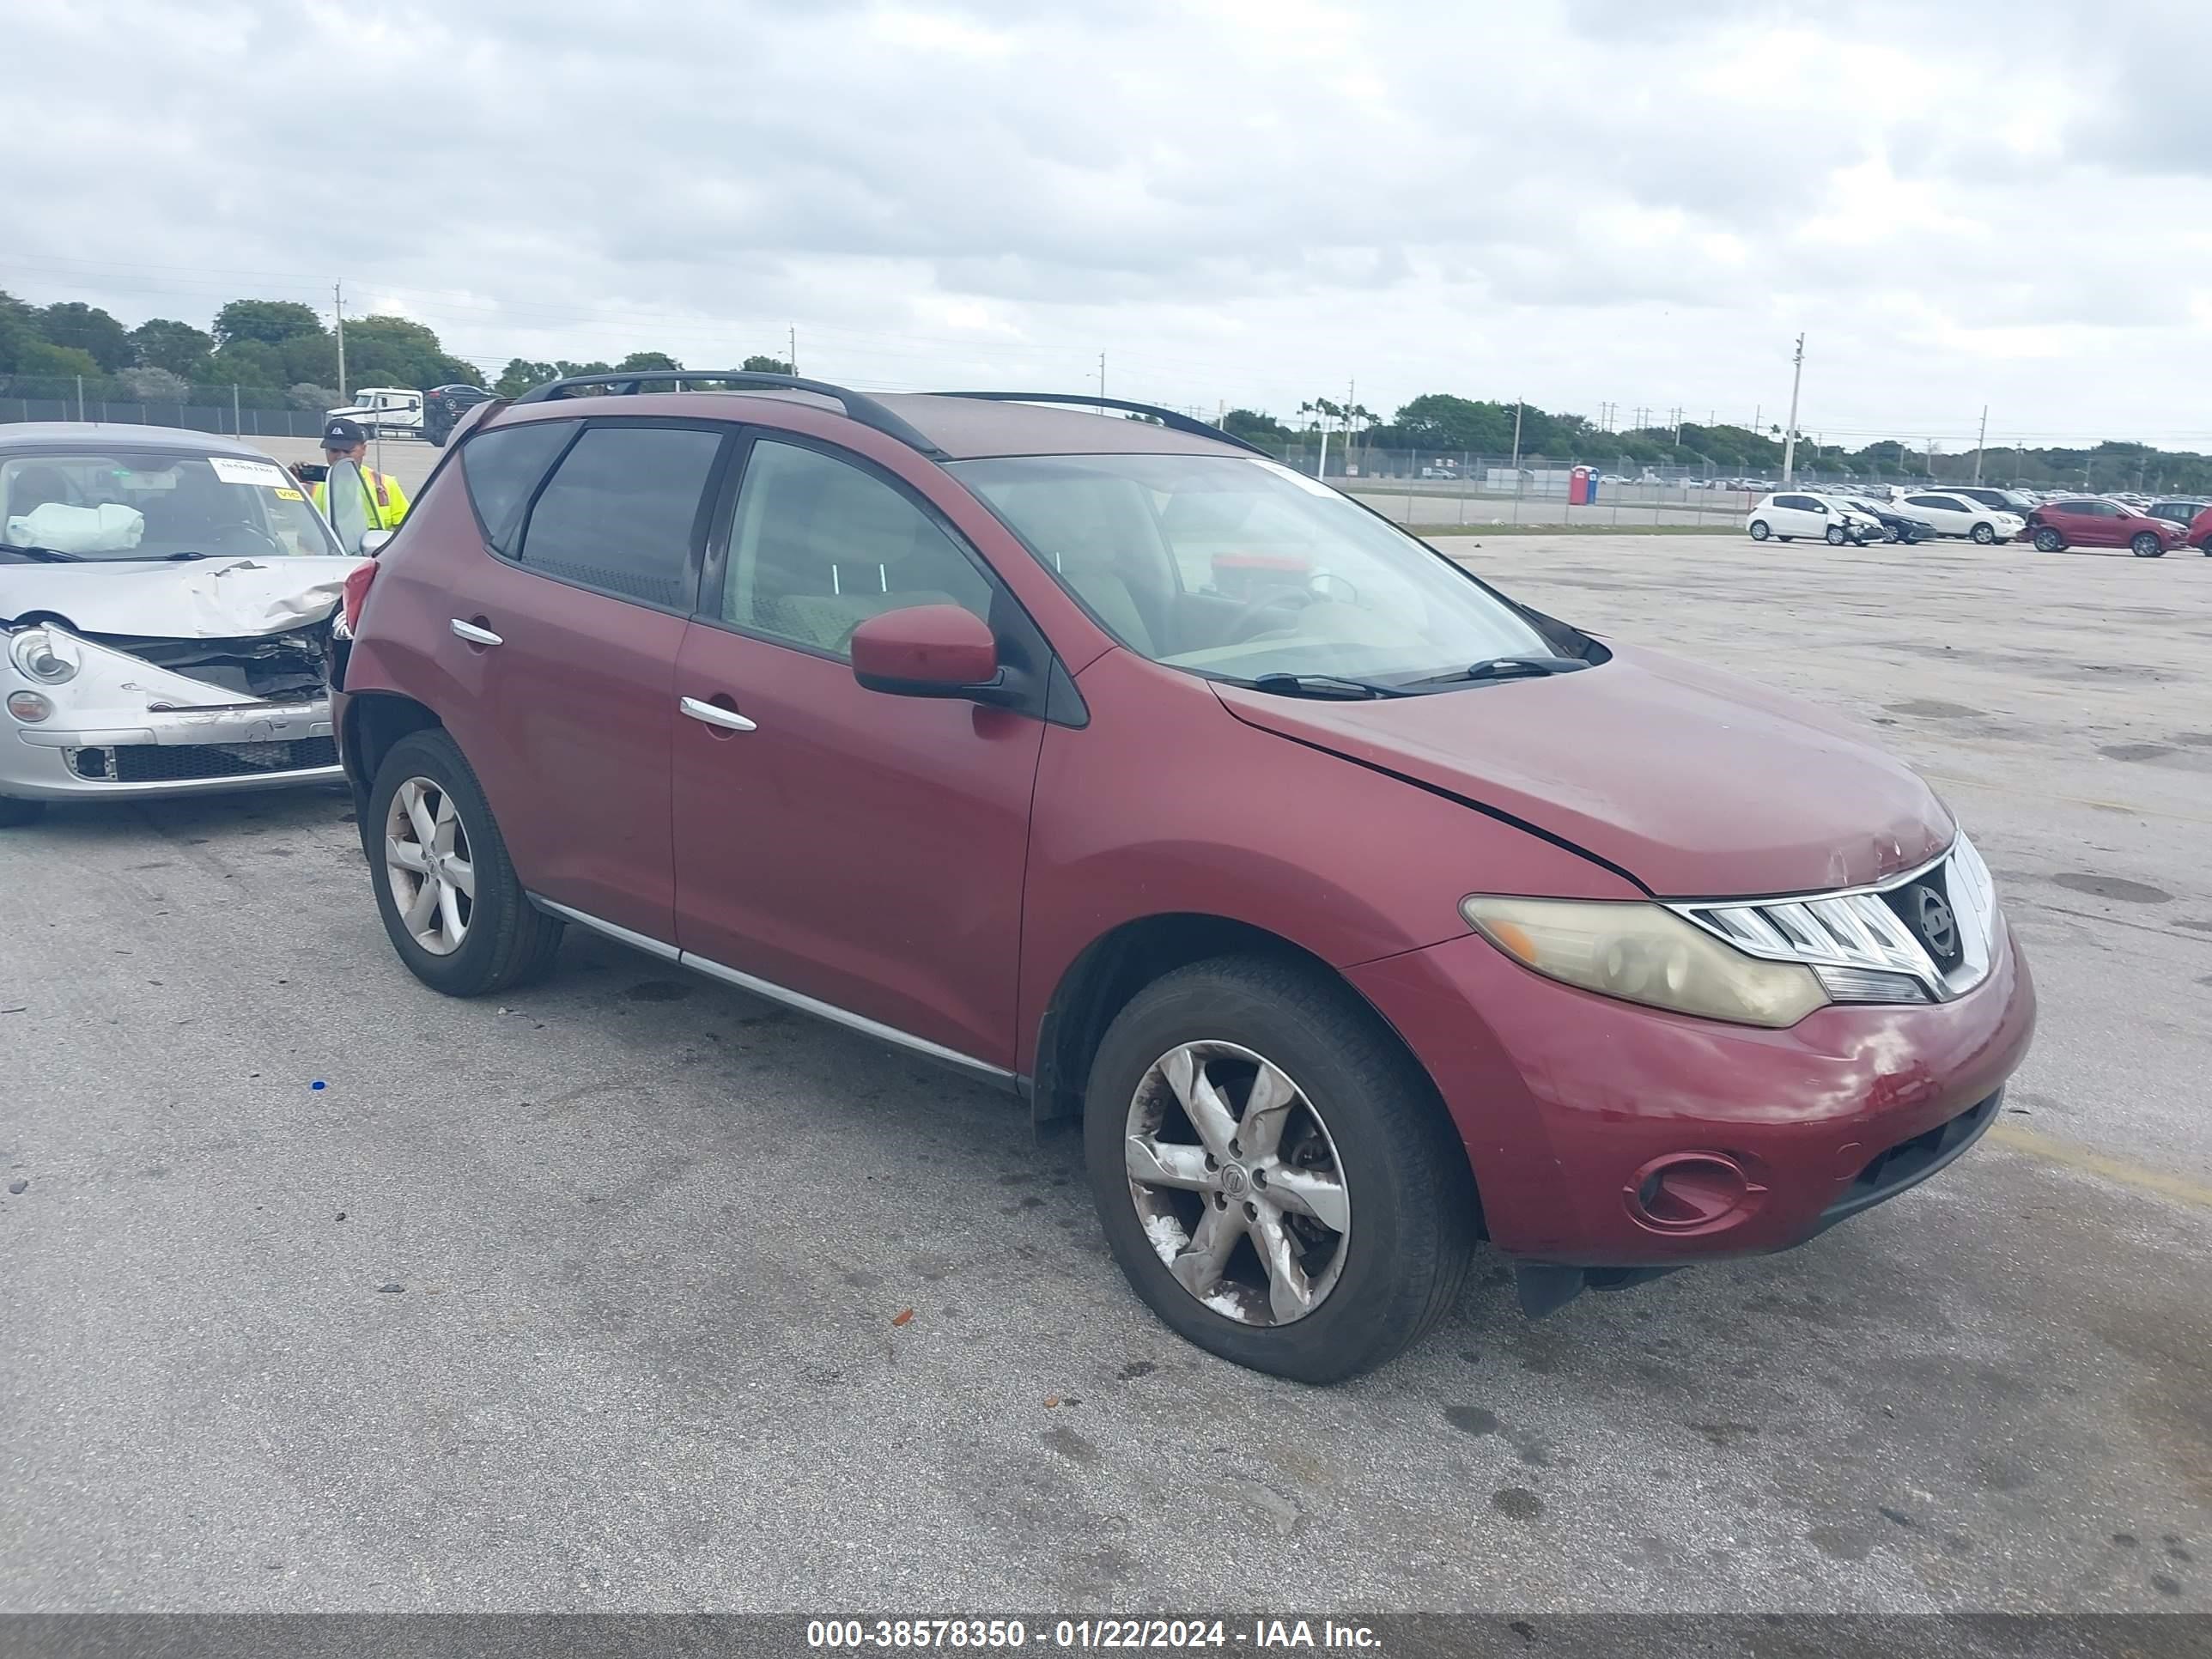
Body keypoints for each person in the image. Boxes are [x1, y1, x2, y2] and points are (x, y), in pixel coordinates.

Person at [309, 416, 410, 529]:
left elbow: (408, 530)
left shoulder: (385, 484)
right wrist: (289, 482)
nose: (341, 456)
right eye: (334, 450)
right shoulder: (311, 485)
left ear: (364, 449)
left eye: (348, 451)